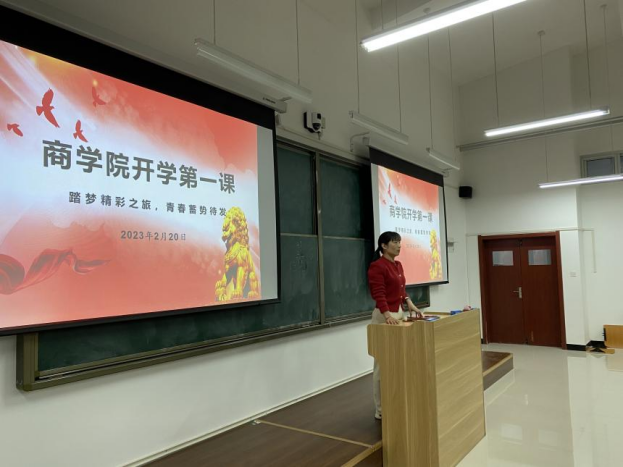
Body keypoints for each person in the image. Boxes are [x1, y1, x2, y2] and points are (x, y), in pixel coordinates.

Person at [368, 231, 423, 420]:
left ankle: (395, 401)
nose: (399, 245)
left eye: (399, 242)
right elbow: (378, 293)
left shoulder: (398, 265)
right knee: (382, 364)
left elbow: (401, 289)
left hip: (398, 313)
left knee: (397, 361)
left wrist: (409, 302)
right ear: (384, 246)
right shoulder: (377, 266)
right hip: (384, 317)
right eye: (394, 242)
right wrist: (386, 315)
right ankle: (381, 409)